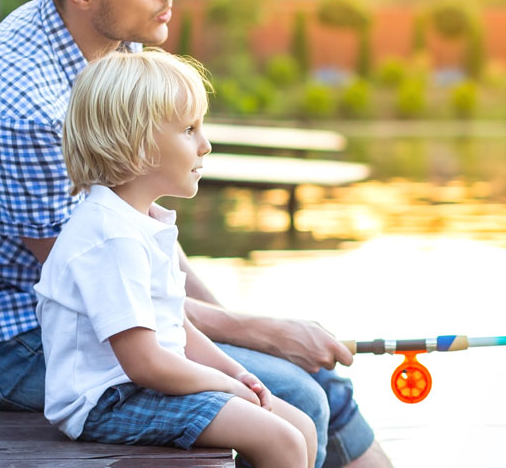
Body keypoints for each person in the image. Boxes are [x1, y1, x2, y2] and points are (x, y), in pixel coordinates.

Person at [0, 0, 389, 466]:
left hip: (102, 313)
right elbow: (107, 287)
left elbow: (145, 249)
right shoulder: (23, 112)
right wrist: (254, 333)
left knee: (314, 381)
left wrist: (244, 332)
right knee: (292, 393)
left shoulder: (113, 39)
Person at [36, 50, 314, 467]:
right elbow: (144, 362)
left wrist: (235, 373)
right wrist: (224, 386)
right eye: (189, 129)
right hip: (108, 400)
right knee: (282, 441)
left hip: (144, 384)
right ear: (136, 146)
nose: (206, 144)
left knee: (300, 427)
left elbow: (176, 327)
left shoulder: (142, 222)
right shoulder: (110, 237)